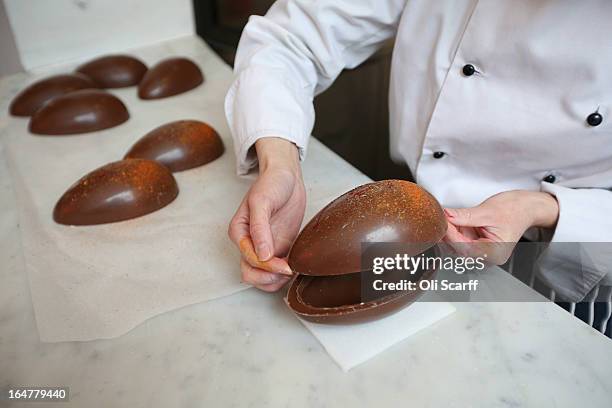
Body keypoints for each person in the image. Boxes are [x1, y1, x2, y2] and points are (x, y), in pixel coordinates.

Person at [225, 0, 612, 303]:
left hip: (566, 261)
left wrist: (543, 211)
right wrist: (280, 163)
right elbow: (292, 36)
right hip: (412, 228)